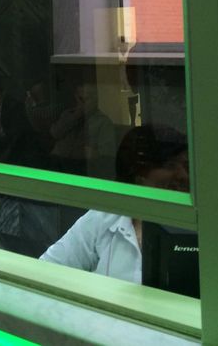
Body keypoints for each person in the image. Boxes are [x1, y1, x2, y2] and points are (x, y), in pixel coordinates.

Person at [39, 124, 189, 283]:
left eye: (185, 166)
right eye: (170, 166)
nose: (183, 176)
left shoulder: (194, 224)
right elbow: (46, 271)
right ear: (139, 174)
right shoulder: (107, 216)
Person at [48, 82, 117, 178]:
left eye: (87, 98)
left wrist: (92, 153)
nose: (83, 103)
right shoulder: (68, 114)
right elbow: (54, 133)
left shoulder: (103, 122)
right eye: (80, 99)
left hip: (81, 168)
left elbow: (107, 155)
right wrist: (75, 115)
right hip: (57, 163)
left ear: (96, 99)